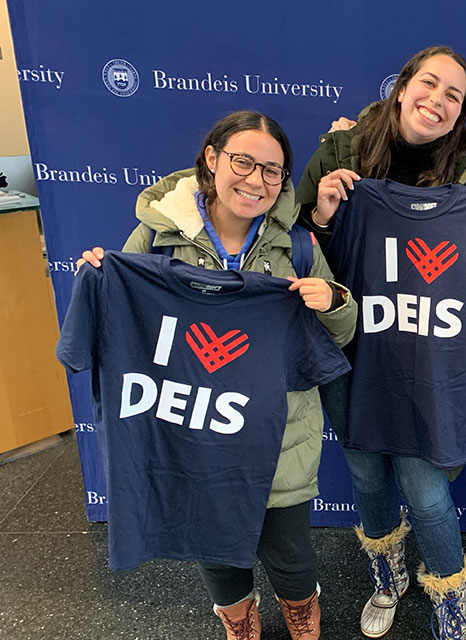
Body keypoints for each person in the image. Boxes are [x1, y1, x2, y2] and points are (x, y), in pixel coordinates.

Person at [78, 110, 358, 640]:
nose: (255, 180)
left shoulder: (298, 245)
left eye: (272, 171)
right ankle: (238, 621)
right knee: (214, 541)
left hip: (279, 435)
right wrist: (99, 278)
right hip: (194, 429)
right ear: (212, 158)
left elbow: (341, 332)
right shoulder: (160, 236)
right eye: (243, 161)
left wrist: (333, 300)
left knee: (290, 548)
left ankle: (302, 613)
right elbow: (117, 310)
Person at [296, 46, 466, 640]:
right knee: (365, 475)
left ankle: (448, 590)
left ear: (459, 113)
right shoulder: (342, 149)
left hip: (418, 359)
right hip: (344, 351)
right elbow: (291, 242)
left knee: (426, 491)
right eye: (428, 84)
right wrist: (324, 215)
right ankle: (388, 576)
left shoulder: (465, 173)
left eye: (453, 95)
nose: (437, 100)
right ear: (403, 88)